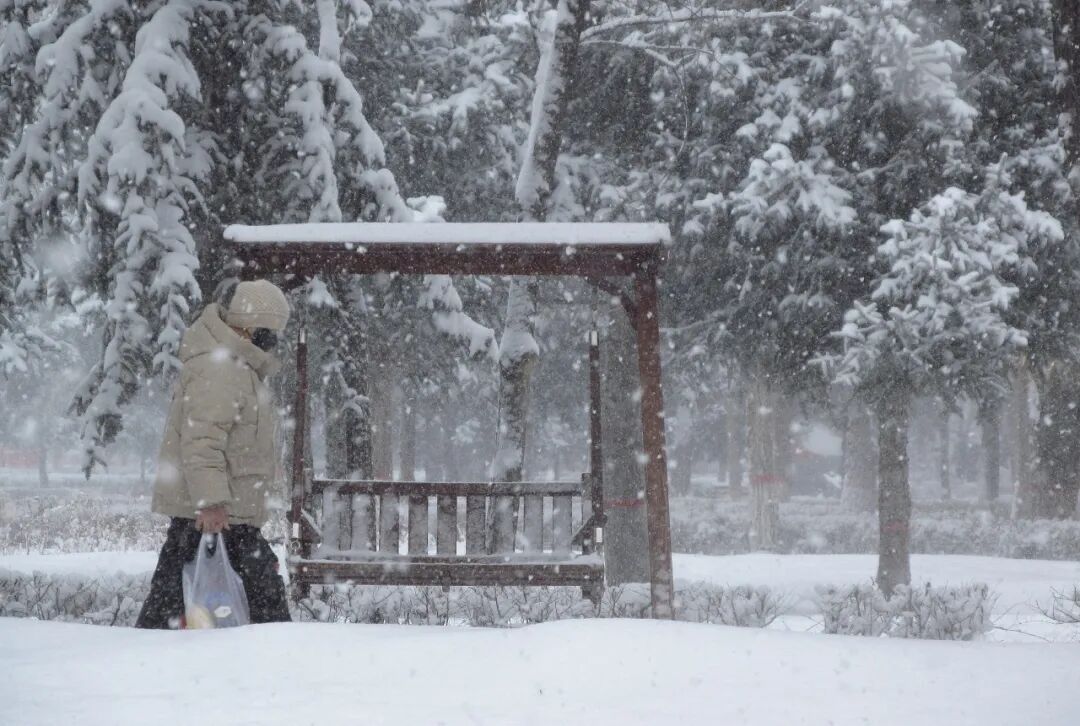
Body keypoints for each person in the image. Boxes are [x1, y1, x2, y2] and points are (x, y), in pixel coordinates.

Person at [136, 280, 292, 629]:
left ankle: (154, 657)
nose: (273, 342)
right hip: (215, 517)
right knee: (261, 613)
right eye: (270, 332)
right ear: (251, 328)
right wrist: (211, 502)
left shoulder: (236, 367)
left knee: (177, 613)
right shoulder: (222, 370)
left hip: (224, 516)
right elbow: (202, 440)